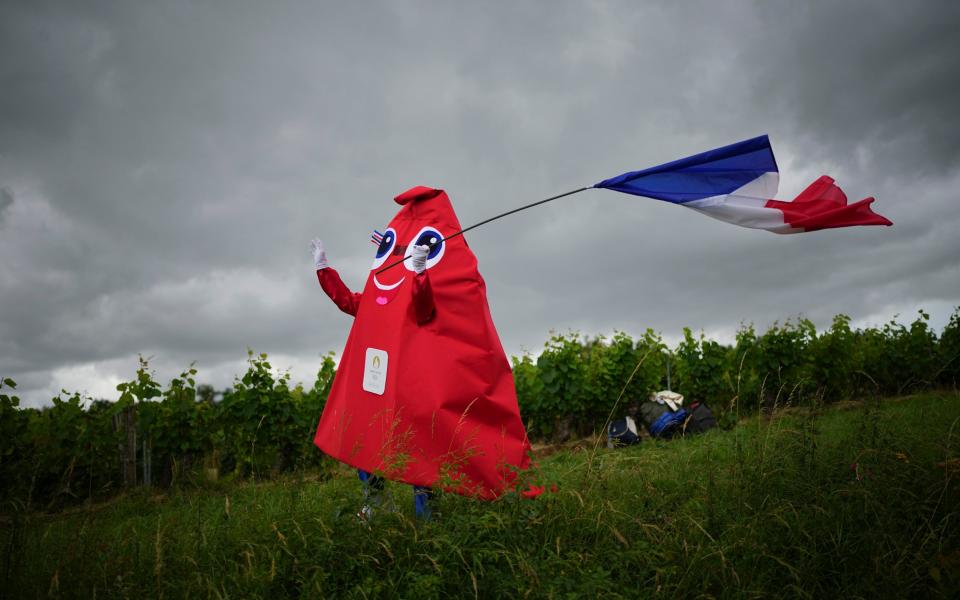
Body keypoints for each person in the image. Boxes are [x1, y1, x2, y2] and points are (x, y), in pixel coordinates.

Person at [311, 186, 530, 522]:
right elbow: (352, 303)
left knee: (420, 448)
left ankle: (427, 513)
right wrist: (325, 271)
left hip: (413, 392)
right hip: (378, 389)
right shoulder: (382, 291)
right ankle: (376, 502)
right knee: (370, 442)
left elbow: (424, 308)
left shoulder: (424, 284)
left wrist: (420, 274)